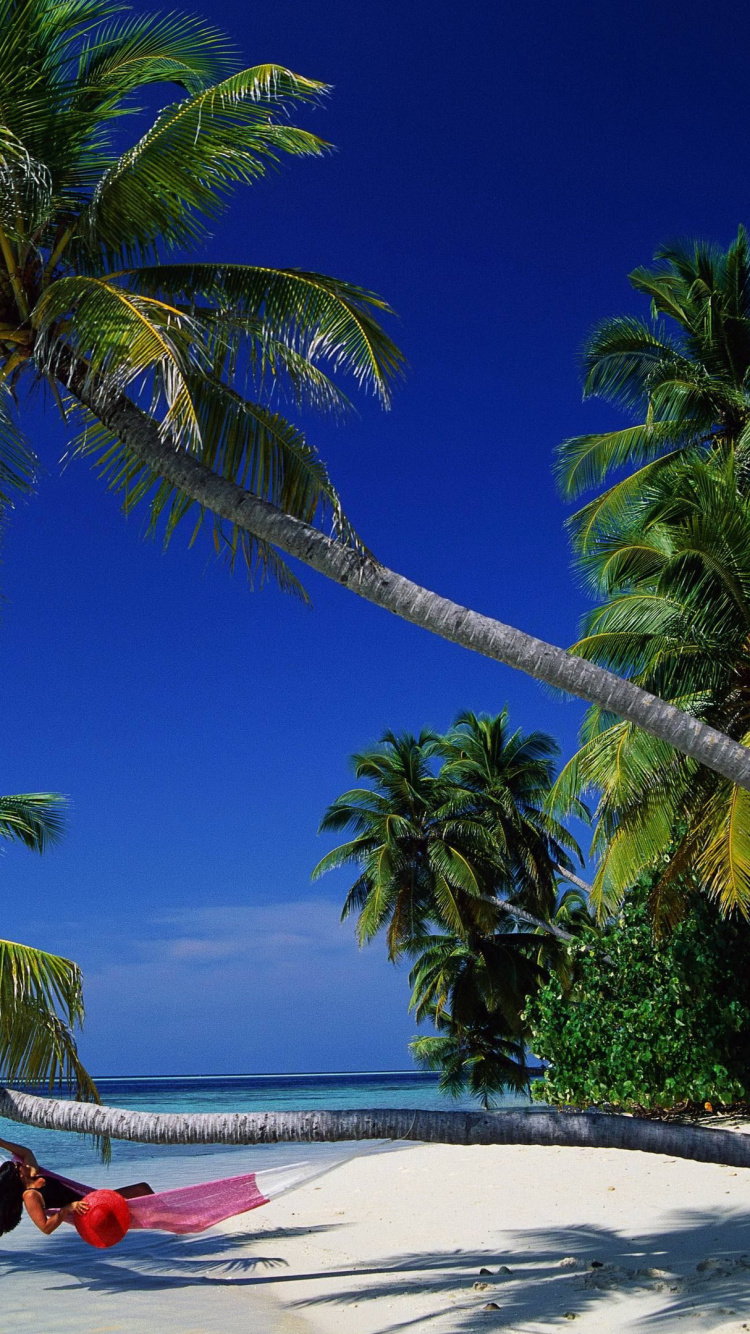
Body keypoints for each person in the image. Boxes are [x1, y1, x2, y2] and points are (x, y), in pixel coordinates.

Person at [0, 1135, 153, 1237]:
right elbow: (45, 1228)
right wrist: (66, 1209)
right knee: (142, 1191)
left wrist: (1, 1142)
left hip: (93, 1198)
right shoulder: (30, 1196)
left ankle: (173, 1222)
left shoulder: (34, 1173)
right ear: (18, 1175)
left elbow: (26, 1152)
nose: (19, 1162)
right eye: (17, 1165)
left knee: (143, 1193)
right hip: (90, 1209)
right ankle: (173, 1221)